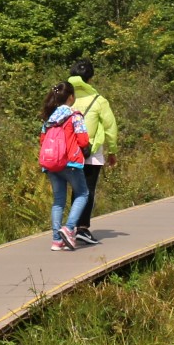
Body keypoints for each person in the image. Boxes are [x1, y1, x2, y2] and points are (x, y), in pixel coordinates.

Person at [67, 58, 119, 246]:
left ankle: (69, 228)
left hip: (68, 151)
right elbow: (110, 127)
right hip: (90, 151)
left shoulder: (65, 97)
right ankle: (82, 229)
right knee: (87, 189)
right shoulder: (99, 100)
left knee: (75, 190)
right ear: (90, 79)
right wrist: (112, 151)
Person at [37, 81, 92, 251]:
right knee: (83, 193)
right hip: (70, 162)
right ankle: (68, 228)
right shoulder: (74, 116)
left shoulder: (49, 119)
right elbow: (83, 140)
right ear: (70, 97)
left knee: (58, 200)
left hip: (52, 164)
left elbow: (42, 141)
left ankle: (56, 240)